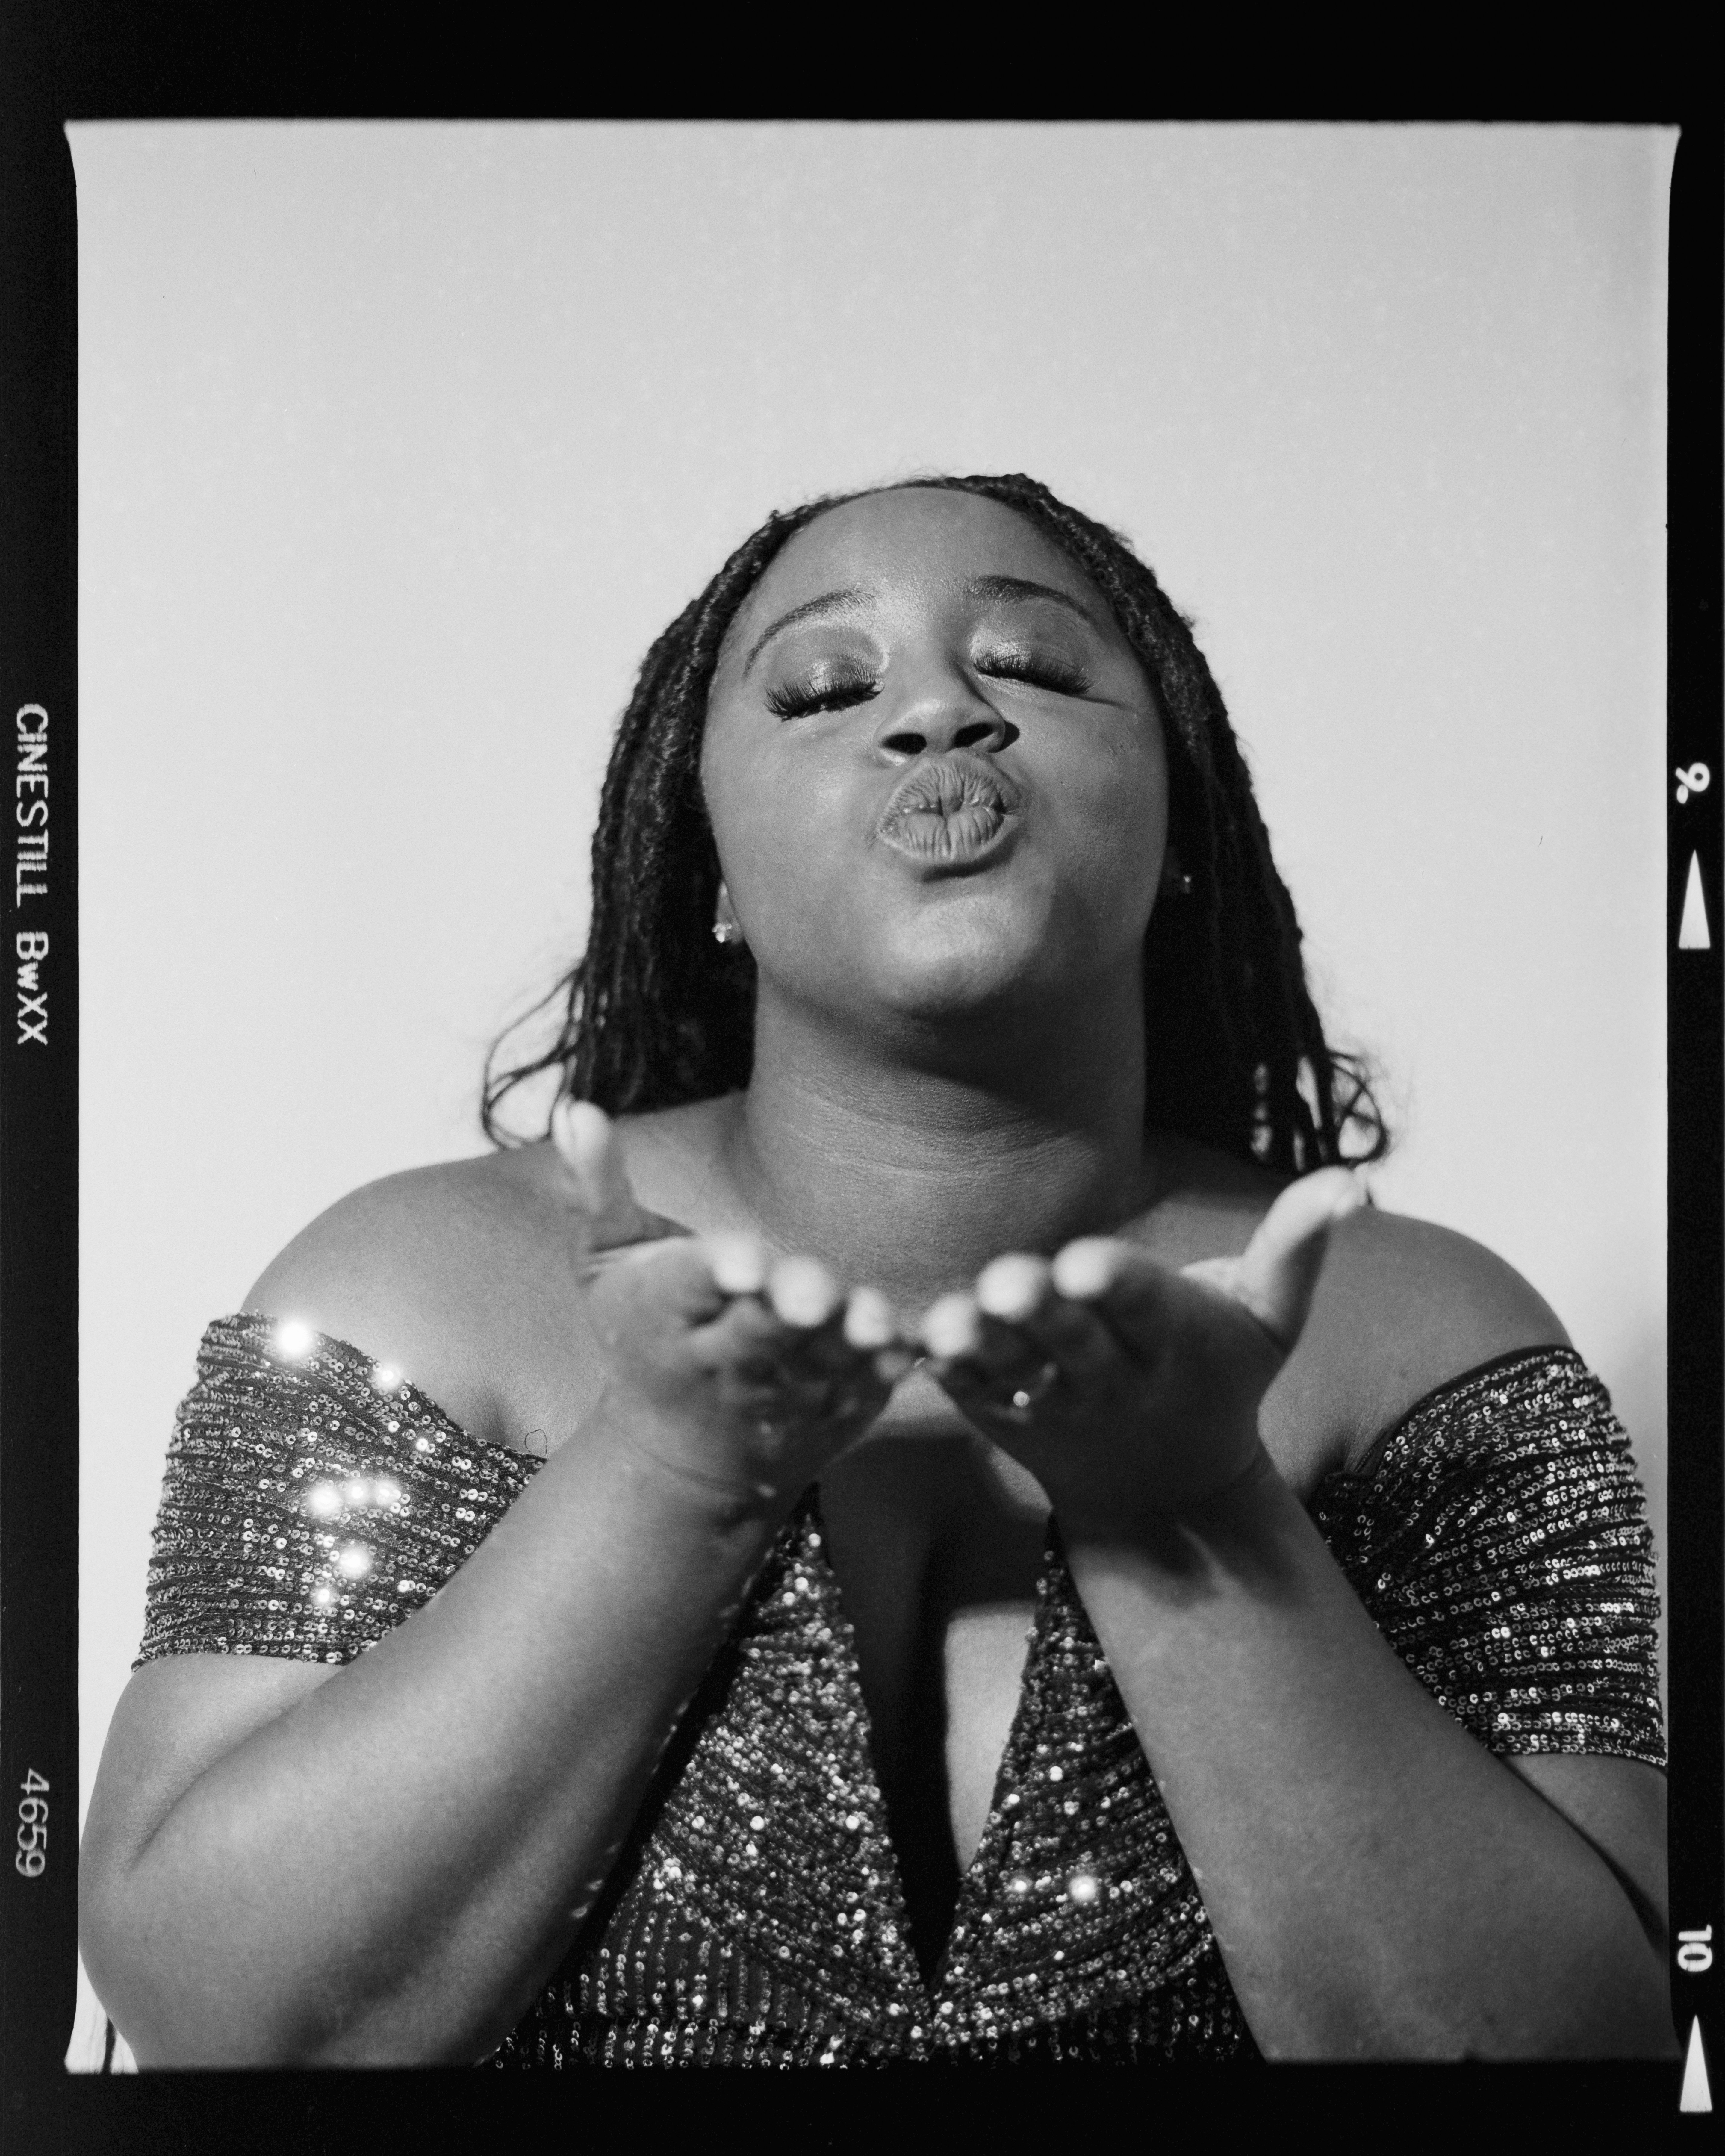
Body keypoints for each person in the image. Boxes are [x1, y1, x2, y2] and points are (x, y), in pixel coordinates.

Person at [79, 475, 1671, 2067]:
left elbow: (1571, 2074)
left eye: (1033, 670)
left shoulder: (1421, 1342)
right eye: (829, 689)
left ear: (1184, 824)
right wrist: (664, 1475)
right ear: (705, 869)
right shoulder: (423, 1299)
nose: (937, 716)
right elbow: (220, 2028)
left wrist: (1187, 1510)